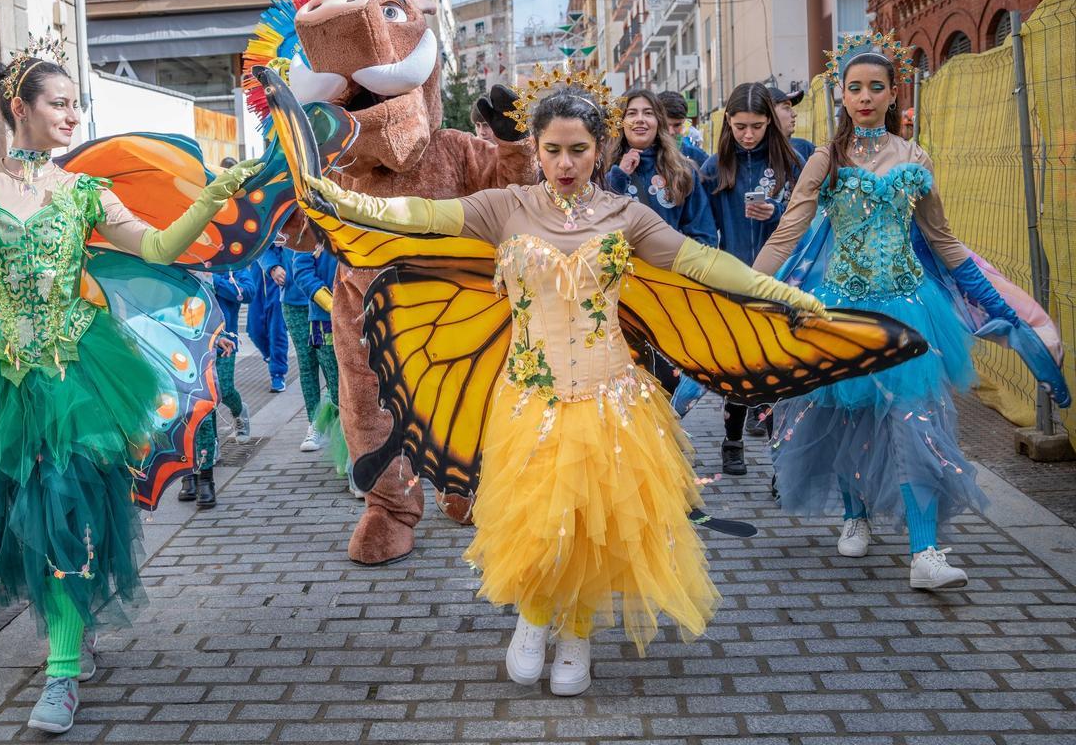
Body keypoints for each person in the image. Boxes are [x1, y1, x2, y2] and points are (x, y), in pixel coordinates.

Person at [295, 83, 836, 696]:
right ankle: (532, 617)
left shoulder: (625, 215)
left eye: (578, 149)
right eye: (553, 149)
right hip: (530, 400)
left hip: (613, 398)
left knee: (591, 523)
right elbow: (420, 216)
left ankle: (576, 632)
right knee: (533, 522)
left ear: (598, 148)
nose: (565, 163)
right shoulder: (505, 207)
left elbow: (700, 263)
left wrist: (786, 294)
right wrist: (339, 200)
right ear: (535, 146)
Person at [0, 48, 260, 733]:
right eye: (59, 104)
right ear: (19, 108)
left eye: (75, 105)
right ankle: (68, 630)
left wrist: (209, 200)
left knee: (66, 502)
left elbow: (155, 249)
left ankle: (60, 671)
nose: (72, 116)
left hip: (79, 374)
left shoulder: (84, 192)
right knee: (21, 510)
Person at [752, 48, 1023, 590]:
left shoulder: (915, 158)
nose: (865, 98)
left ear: (893, 93)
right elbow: (788, 232)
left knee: (915, 423)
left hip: (908, 310)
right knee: (849, 414)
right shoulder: (826, 160)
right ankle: (856, 514)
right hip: (841, 313)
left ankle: (925, 551)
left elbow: (942, 239)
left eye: (876, 87)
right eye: (855, 88)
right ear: (842, 96)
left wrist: (994, 301)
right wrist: (742, 289)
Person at [701, 82, 804, 474]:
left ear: (770, 124)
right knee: (738, 367)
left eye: (757, 126)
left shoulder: (791, 162)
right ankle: (732, 441)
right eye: (740, 126)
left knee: (777, 369)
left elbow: (807, 222)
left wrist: (777, 213)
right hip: (733, 282)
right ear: (728, 121)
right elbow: (705, 230)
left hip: (782, 282)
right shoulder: (715, 167)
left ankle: (780, 460)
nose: (748, 135)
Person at [176, 268, 255, 508]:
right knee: (186, 410)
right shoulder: (178, 262)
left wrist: (214, 281)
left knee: (217, 396)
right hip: (181, 345)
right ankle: (190, 472)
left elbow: (248, 292)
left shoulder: (230, 263)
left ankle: (205, 477)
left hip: (221, 342)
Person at [605, 89, 716, 246]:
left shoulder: (683, 170)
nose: (640, 119)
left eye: (648, 113)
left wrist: (684, 269)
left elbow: (704, 235)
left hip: (671, 268)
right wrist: (618, 176)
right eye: (631, 113)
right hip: (623, 269)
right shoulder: (601, 169)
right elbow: (596, 227)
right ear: (620, 122)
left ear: (659, 121)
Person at [291, 242, 354, 492]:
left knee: (358, 391)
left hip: (363, 319)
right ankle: (348, 454)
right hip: (325, 322)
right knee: (340, 389)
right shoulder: (310, 229)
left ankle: (358, 456)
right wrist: (333, 305)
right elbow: (302, 271)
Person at [245, 242, 289, 393]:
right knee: (254, 329)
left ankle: (278, 373)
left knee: (277, 329)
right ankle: (270, 356)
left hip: (280, 271)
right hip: (258, 272)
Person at [656, 90, 710, 165]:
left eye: (677, 125)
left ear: (684, 122)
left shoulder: (698, 157)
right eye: (665, 125)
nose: (671, 132)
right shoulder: (639, 157)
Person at [769, 86, 816, 163]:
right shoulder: (752, 154)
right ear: (769, 113)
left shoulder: (804, 148)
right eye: (787, 108)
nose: (794, 114)